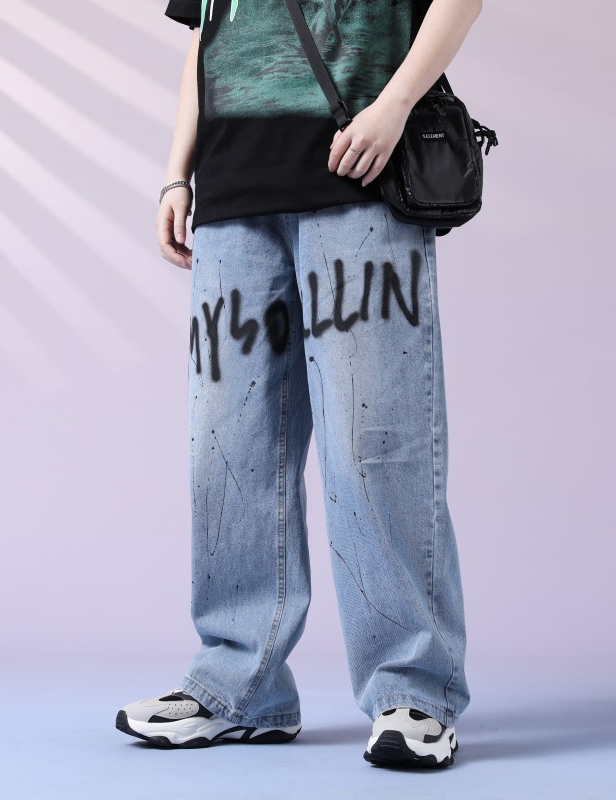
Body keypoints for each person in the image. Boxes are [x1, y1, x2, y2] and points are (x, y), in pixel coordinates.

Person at [115, 0, 483, 769]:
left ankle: (413, 691)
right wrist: (177, 173)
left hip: (359, 176)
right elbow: (206, 37)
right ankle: (237, 686)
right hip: (231, 196)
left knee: (373, 448)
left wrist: (396, 104)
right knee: (228, 453)